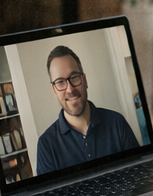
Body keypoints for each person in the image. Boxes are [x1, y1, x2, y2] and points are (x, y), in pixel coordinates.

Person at [34, 45, 139, 174]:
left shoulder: (117, 122)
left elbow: (140, 173)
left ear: (84, 80)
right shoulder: (46, 145)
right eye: (60, 82)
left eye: (74, 77)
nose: (70, 89)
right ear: (54, 90)